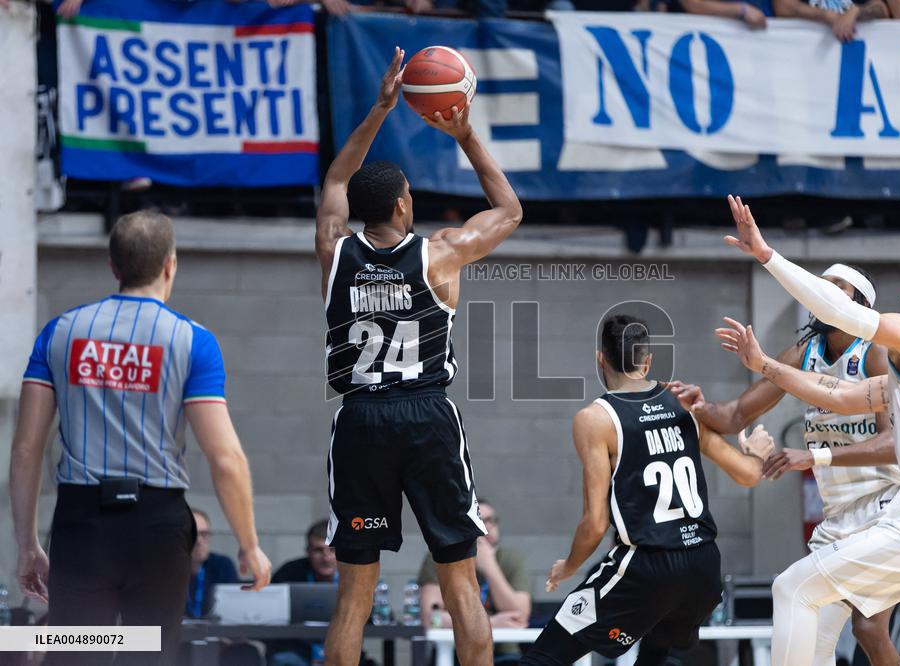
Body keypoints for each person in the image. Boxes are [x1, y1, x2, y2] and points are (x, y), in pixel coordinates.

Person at [718, 194, 900, 666]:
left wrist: (767, 255)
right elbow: (842, 397)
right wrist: (765, 364)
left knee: (793, 590)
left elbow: (845, 313)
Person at [314, 47, 522, 666]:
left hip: (359, 419)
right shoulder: (440, 255)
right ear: (404, 205)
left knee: (354, 594)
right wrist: (465, 133)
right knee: (461, 583)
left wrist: (379, 110)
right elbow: (509, 210)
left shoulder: (335, 254)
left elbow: (332, 183)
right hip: (428, 416)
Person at [11, 211, 271, 665]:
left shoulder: (59, 332)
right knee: (148, 657)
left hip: (81, 523)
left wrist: (28, 544)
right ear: (170, 265)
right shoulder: (193, 341)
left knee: (75, 655)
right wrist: (250, 544)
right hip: (156, 524)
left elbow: (27, 448)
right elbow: (225, 457)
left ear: (114, 266)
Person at [668, 266, 900, 666]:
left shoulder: (874, 351)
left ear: (860, 305)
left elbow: (894, 444)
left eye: (837, 288)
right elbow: (734, 416)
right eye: (821, 286)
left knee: (868, 628)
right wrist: (698, 407)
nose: (824, 293)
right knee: (809, 638)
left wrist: (816, 456)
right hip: (838, 514)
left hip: (887, 508)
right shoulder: (804, 352)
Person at [520, 314, 776, 665]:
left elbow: (595, 524)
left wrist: (568, 566)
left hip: (648, 566)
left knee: (543, 657)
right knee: (655, 655)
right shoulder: (683, 402)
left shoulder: (596, 419)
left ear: (600, 358)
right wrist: (753, 454)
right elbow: (748, 475)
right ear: (648, 361)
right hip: (702, 566)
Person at [417, 499, 531, 657]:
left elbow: (520, 615)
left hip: (504, 654)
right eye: (479, 519)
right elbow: (432, 619)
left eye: (491, 520)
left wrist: (489, 567)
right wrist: (491, 624)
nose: (487, 526)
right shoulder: (439, 558)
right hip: (453, 652)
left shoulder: (511, 559)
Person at [267, 521, 340, 666]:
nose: (326, 558)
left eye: (332, 550)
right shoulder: (288, 573)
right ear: (308, 551)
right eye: (319, 550)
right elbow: (269, 615)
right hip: (297, 651)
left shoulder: (355, 577)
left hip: (341, 649)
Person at [186, 508, 240, 619]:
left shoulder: (223, 566)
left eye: (204, 534)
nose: (199, 540)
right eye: (193, 533)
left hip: (216, 634)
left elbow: (234, 613)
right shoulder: (166, 571)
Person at [772, 0, 888, 43]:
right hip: (810, 56)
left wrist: (856, 11)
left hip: (854, 57)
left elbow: (881, 9)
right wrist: (824, 15)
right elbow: (783, 6)